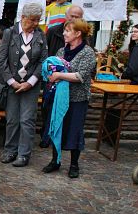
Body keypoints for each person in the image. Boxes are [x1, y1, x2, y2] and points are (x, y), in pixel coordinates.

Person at [41, 19, 97, 178]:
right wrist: (51, 73)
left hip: (77, 99)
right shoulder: (61, 51)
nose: (64, 33)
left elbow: (80, 76)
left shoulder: (87, 52)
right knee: (57, 126)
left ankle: (74, 164)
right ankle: (55, 160)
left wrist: (59, 75)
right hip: (59, 97)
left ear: (78, 33)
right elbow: (53, 69)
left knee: (74, 130)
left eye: (68, 30)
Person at [0, 3, 47, 167]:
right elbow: (2, 60)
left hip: (31, 85)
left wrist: (31, 82)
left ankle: (24, 154)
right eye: (33, 20)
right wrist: (12, 82)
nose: (36, 24)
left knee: (27, 120)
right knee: (12, 119)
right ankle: (10, 151)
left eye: (38, 20)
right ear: (23, 17)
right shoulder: (9, 33)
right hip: (12, 84)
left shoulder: (40, 35)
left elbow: (43, 61)